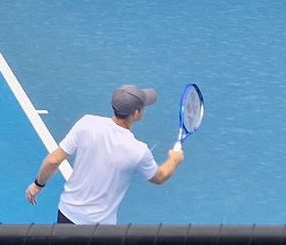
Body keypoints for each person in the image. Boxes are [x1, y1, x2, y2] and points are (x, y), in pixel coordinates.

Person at [25, 85, 184, 225]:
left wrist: (37, 185)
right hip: (100, 229)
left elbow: (54, 160)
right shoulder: (139, 150)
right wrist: (174, 160)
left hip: (67, 215)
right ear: (136, 113)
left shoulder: (86, 123)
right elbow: (159, 177)